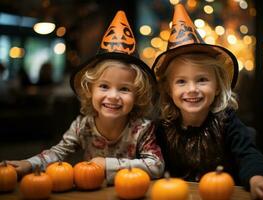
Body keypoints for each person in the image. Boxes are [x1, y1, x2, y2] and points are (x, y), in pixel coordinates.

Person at [5, 10, 164, 185]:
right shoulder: (82, 126)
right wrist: (29, 164)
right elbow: (57, 153)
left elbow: (156, 165)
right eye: (104, 86)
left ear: (137, 95)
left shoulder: (142, 129)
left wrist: (106, 164)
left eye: (124, 89)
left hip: (130, 192)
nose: (113, 96)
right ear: (90, 90)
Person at [152, 4, 263, 200]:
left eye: (202, 80)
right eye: (181, 81)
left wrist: (259, 179)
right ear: (170, 90)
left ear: (218, 86)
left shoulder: (227, 122)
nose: (192, 89)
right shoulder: (162, 127)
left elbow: (248, 155)